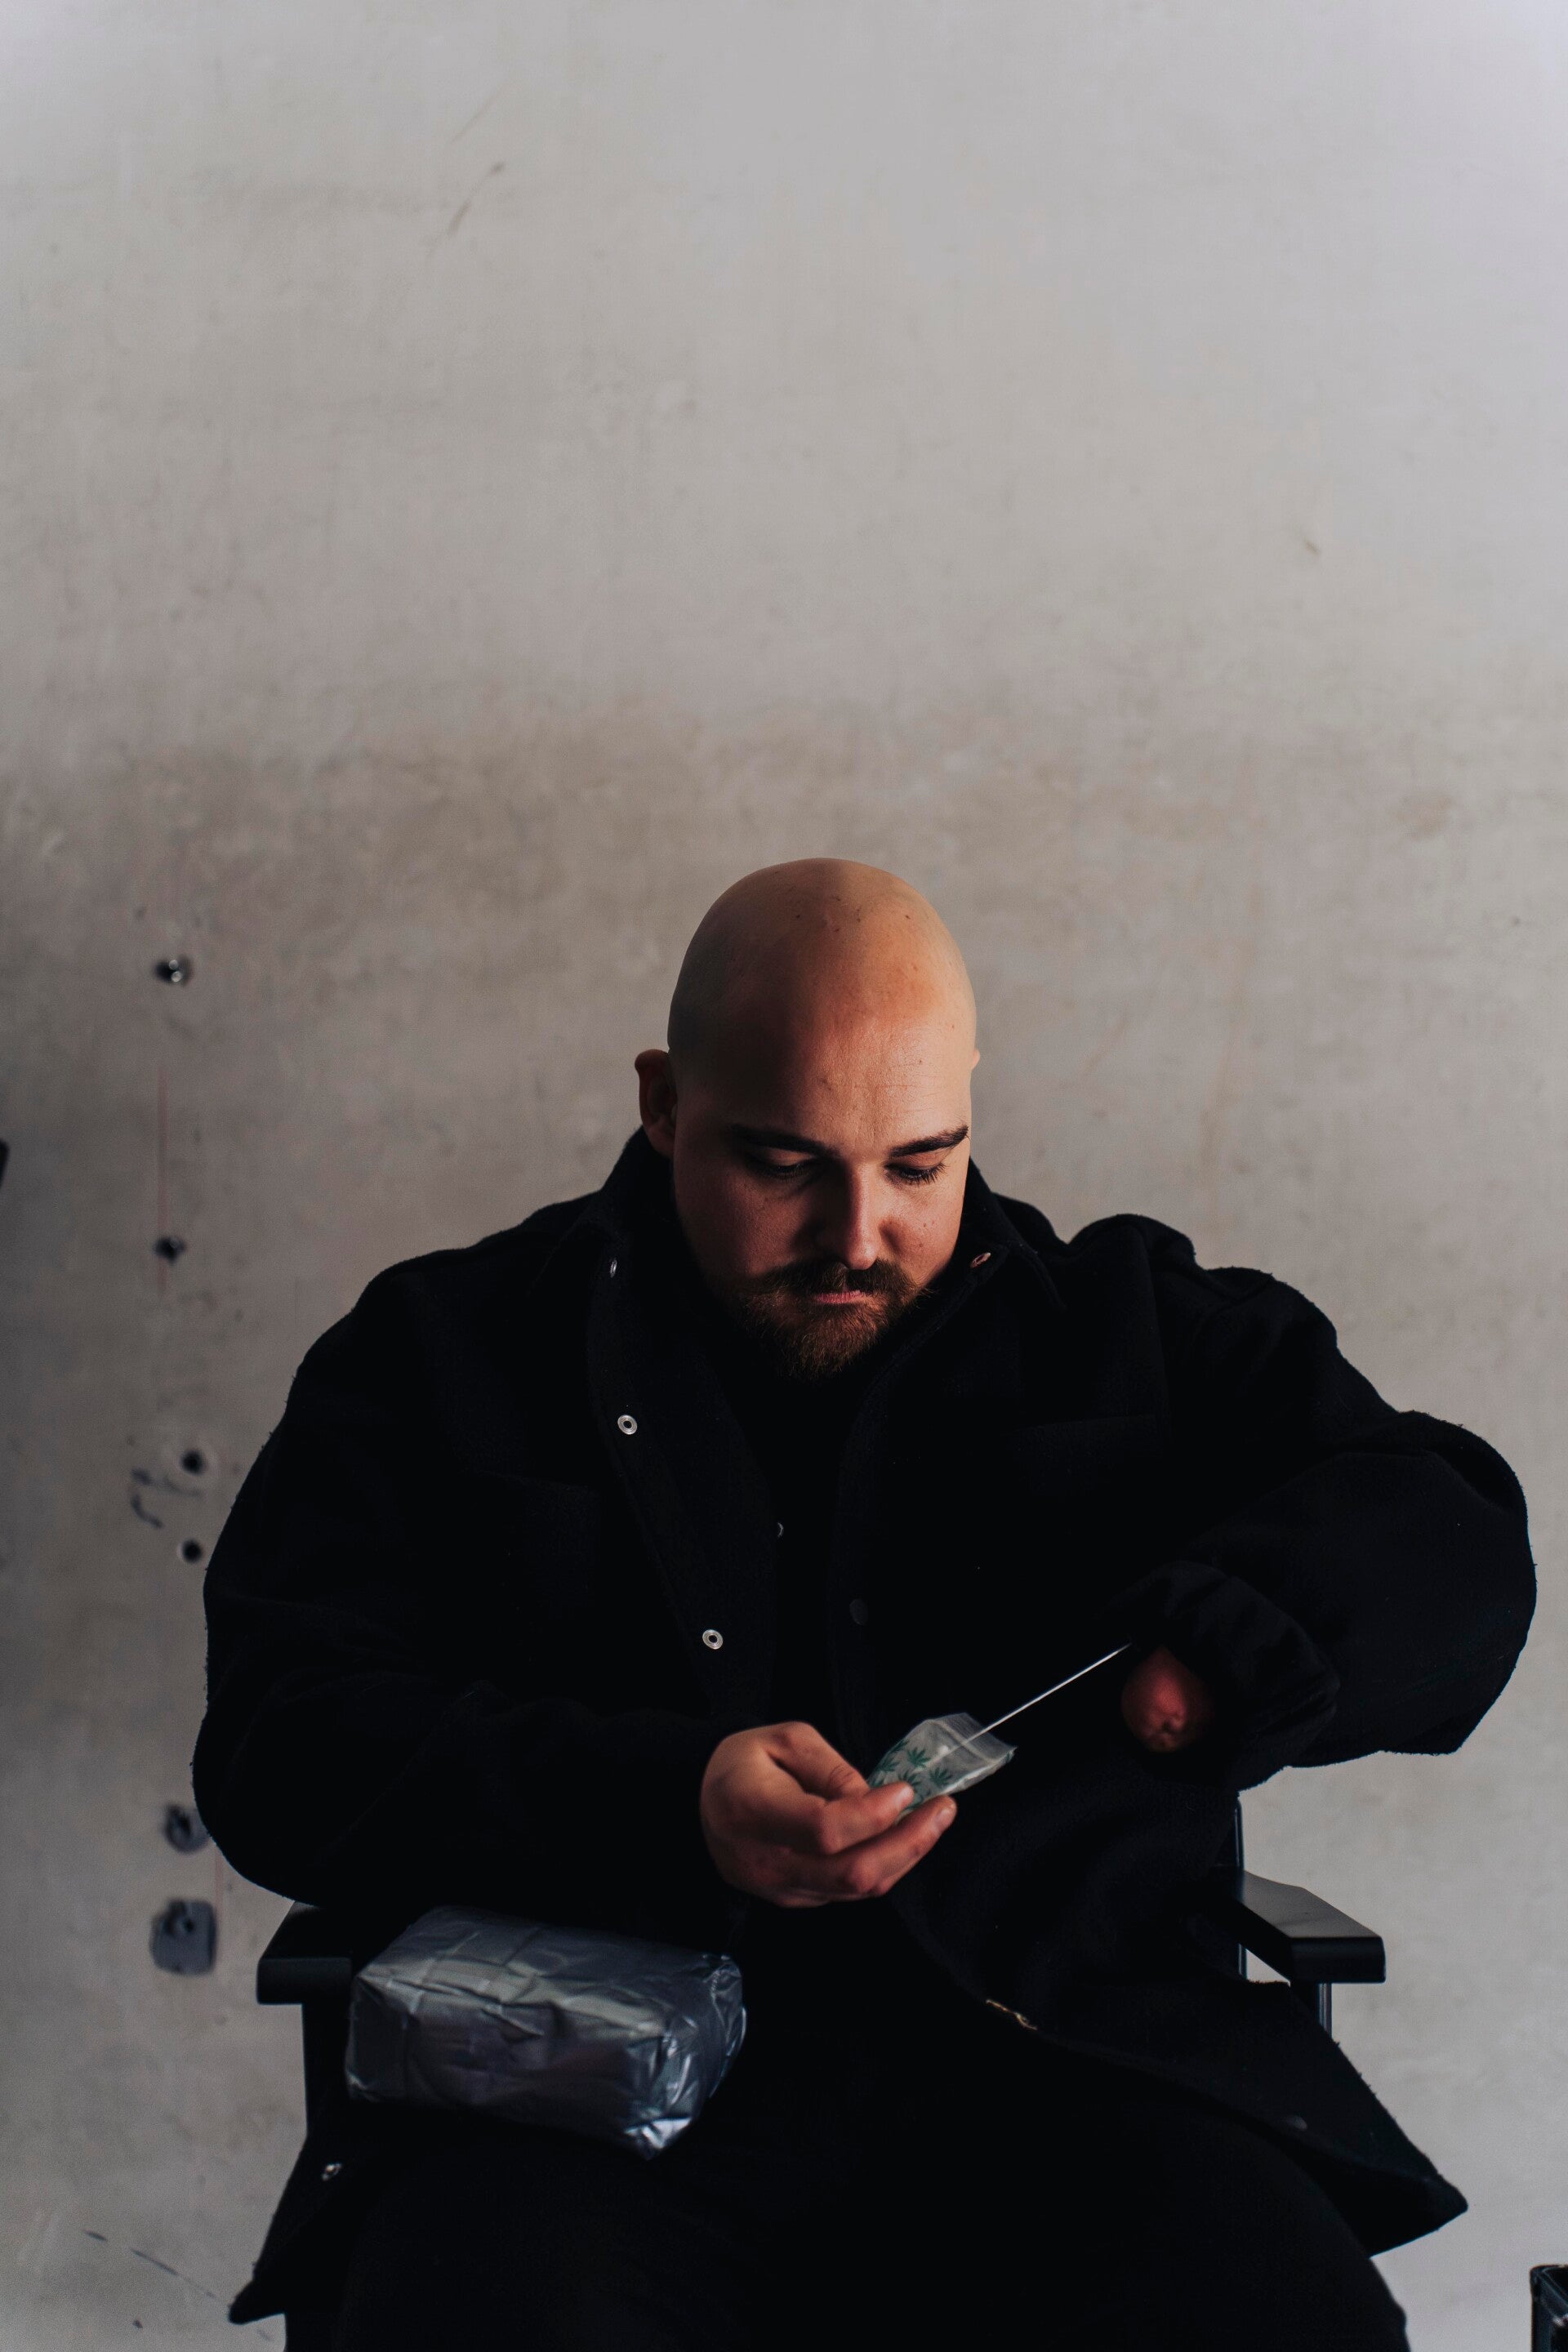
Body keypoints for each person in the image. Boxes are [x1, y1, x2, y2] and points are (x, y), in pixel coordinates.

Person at [195, 859, 1534, 2350]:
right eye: (785, 1164)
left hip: (1074, 2082)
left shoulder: (1132, 1330)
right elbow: (277, 1741)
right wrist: (668, 1802)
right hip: (570, 2111)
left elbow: (1455, 1537)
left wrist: (1248, 1638)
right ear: (663, 1103)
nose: (858, 1233)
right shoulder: (444, 1351)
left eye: (919, 1163)